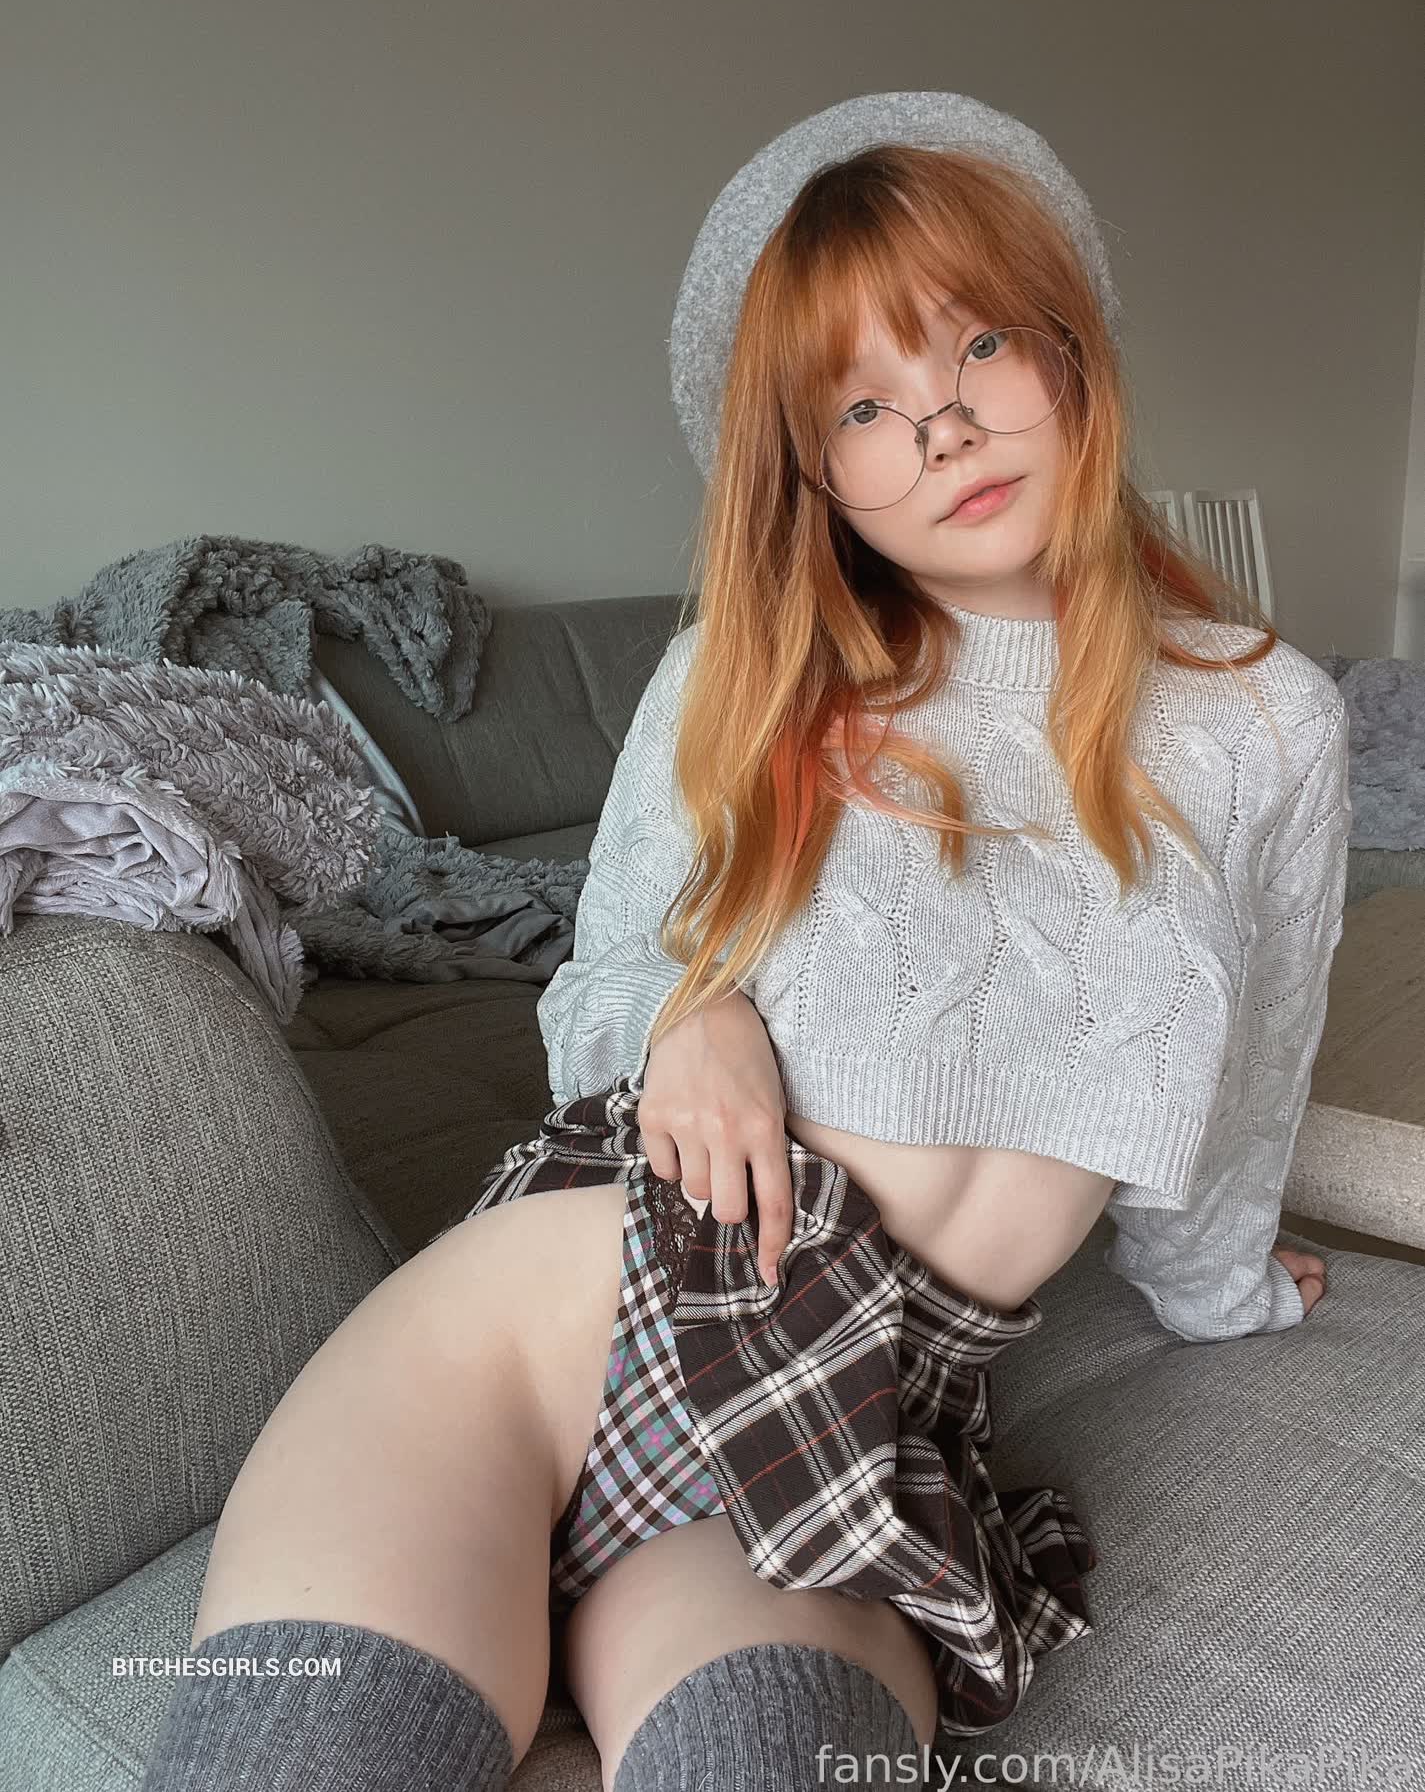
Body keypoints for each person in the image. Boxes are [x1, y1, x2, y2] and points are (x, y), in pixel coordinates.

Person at [139, 91, 1348, 1792]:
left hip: (851, 1425)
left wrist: (1225, 1290)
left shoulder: (1263, 718)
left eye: (978, 343)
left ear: (1069, 350)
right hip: (537, 1332)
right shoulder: (740, 671)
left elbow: (1254, 1064)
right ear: (814, 469)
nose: (940, 425)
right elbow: (605, 980)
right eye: (861, 403)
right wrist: (691, 1014)